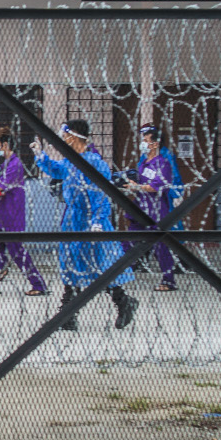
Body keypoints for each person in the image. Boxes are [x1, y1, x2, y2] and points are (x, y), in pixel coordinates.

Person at [34, 119, 138, 330]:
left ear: (74, 137)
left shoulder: (94, 162)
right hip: (73, 221)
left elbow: (103, 194)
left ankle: (123, 302)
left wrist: (98, 222)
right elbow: (56, 170)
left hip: (92, 221)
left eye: (65, 137)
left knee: (102, 266)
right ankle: (68, 313)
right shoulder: (70, 161)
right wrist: (40, 156)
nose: (62, 141)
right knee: (72, 264)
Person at [0, 128, 47, 296]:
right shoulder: (5, 164)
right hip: (1, 213)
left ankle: (38, 284)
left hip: (11, 214)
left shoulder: (15, 165)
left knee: (17, 251)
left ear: (5, 144)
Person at [122, 125, 178, 292]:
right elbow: (142, 184)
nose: (143, 144)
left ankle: (168, 281)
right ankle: (118, 276)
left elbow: (158, 187)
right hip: (140, 208)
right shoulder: (144, 163)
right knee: (127, 242)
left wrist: (138, 187)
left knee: (161, 246)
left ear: (155, 144)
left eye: (146, 141)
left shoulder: (162, 163)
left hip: (156, 210)